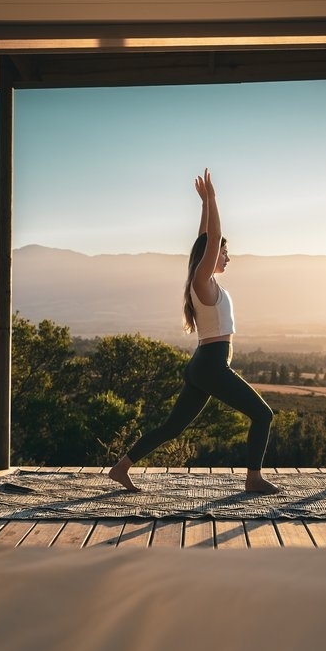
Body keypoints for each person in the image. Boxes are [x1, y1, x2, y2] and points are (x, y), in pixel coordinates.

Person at [109, 169, 278, 494]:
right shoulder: (202, 282)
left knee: (172, 427)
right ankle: (253, 478)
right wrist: (213, 198)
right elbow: (211, 240)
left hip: (205, 365)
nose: (227, 257)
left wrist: (203, 205)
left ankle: (121, 467)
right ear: (210, 257)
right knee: (263, 415)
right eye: (225, 253)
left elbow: (204, 239)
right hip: (211, 365)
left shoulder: (206, 281)